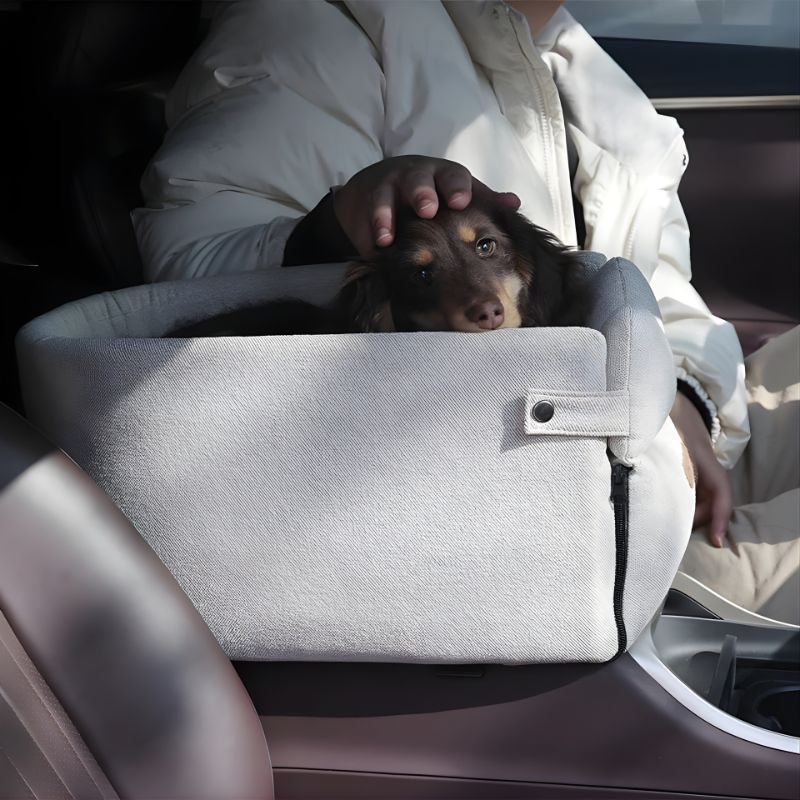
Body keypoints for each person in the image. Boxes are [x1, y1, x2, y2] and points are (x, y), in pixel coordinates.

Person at [132, 0, 798, 624]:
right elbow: (194, 271)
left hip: (664, 437)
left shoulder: (570, 61)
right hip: (548, 510)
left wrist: (685, 394)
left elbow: (662, 290)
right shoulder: (315, 30)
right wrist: (338, 223)